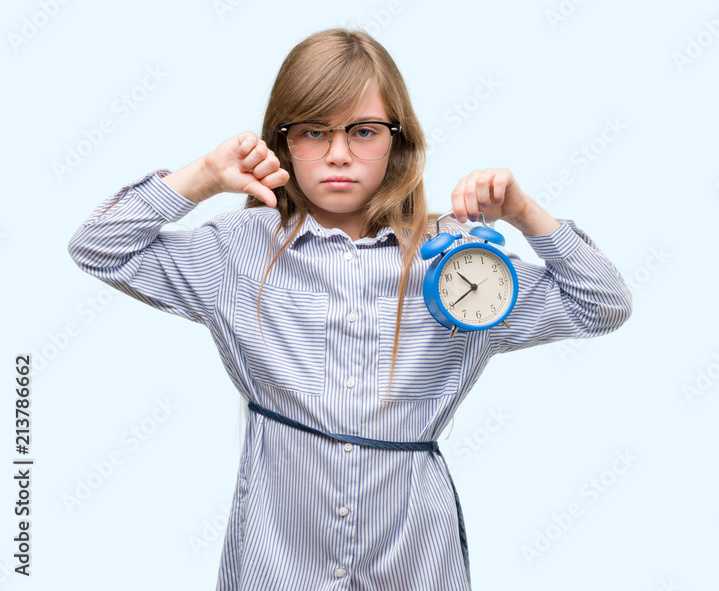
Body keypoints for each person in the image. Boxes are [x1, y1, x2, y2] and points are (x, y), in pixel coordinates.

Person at [68, 28, 632, 591]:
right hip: (277, 561)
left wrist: (525, 214)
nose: (339, 155)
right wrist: (203, 177)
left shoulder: (462, 264)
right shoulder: (237, 251)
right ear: (282, 141)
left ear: (398, 141)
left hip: (415, 562)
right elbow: (98, 245)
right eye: (314, 132)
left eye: (363, 132)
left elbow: (602, 305)